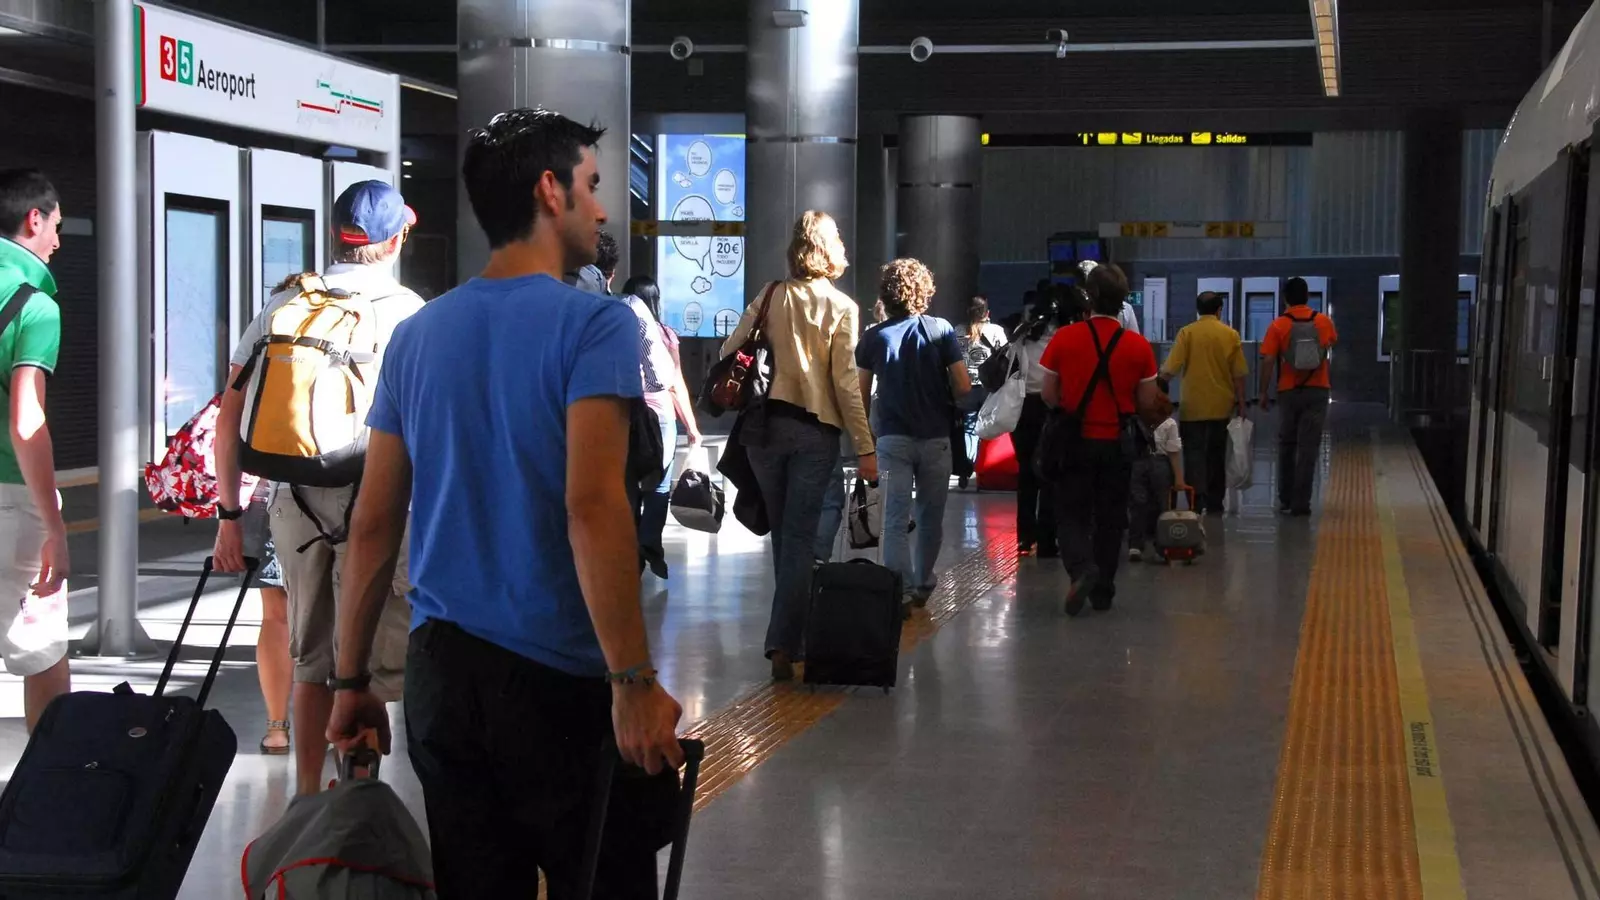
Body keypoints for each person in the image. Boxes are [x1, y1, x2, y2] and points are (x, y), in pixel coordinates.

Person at [326, 108, 685, 897]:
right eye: (593, 185)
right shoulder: (596, 325)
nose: (602, 209)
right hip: (557, 685)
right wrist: (631, 680)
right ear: (550, 191)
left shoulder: (419, 335)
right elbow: (593, 506)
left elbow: (374, 522)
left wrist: (351, 680)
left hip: (442, 678)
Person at [213, 179, 424, 796]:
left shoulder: (285, 304)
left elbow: (230, 414)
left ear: (337, 235)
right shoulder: (409, 311)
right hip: (380, 501)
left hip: (294, 500)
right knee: (369, 664)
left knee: (310, 660)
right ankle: (357, 794)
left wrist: (229, 514)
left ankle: (306, 796)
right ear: (395, 240)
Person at [723, 210, 875, 682]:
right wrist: (865, 448)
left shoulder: (770, 295)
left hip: (763, 431)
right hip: (813, 433)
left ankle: (796, 638)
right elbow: (846, 384)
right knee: (800, 540)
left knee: (786, 537)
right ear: (828, 250)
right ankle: (782, 642)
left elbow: (730, 350)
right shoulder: (842, 307)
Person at [1039, 263, 1162, 615]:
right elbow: (1148, 403)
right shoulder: (1138, 346)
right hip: (1118, 444)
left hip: (1074, 441)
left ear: (1089, 297)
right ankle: (1103, 590)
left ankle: (1081, 569)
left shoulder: (1065, 338)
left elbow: (1048, 393)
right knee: (1111, 517)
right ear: (1123, 300)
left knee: (1070, 512)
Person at [856, 259, 971, 608]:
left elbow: (859, 395)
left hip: (892, 438)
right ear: (924, 292)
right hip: (936, 438)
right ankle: (922, 583)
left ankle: (901, 590)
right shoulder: (940, 330)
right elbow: (963, 385)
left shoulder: (873, 337)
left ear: (885, 294)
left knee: (894, 520)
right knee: (930, 518)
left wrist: (865, 441)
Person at [0, 169, 69, 733]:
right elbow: (27, 421)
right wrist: (55, 527)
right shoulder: (35, 306)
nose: (58, 242)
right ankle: (50, 778)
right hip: (11, 497)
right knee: (40, 649)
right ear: (34, 219)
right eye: (56, 227)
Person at [618, 274, 703, 578]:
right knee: (660, 484)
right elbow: (675, 383)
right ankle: (649, 544)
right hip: (660, 415)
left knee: (628, 482)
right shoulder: (665, 334)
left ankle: (630, 550)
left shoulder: (615, 329)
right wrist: (691, 426)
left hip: (627, 412)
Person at [1159, 291, 1248, 514]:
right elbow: (1238, 374)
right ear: (1219, 310)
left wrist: (1156, 387)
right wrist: (1241, 402)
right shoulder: (1230, 335)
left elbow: (1170, 368)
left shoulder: (1187, 333)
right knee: (1216, 455)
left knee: (1193, 455)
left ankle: (1196, 501)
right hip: (1221, 407)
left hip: (1192, 407)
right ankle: (1216, 502)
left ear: (1198, 310)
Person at [1259, 276, 1338, 516]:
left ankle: (1285, 499)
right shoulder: (1323, 321)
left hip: (1289, 391)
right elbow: (1330, 344)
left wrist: (1263, 392)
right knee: (1308, 447)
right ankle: (1301, 503)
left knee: (1287, 445)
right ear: (1307, 296)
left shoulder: (1278, 325)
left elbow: (1268, 360)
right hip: (1318, 390)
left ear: (1285, 298)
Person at [1009, 288, 1069, 557]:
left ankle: (1025, 537)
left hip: (1024, 407)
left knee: (1026, 473)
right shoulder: (1060, 336)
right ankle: (1047, 540)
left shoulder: (1020, 336)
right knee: (1049, 474)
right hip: (1051, 407)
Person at [1127, 392, 1185, 562]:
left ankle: (1136, 545)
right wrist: (1178, 477)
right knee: (1162, 505)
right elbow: (1173, 451)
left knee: (1138, 504)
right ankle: (1162, 545)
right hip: (1160, 464)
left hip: (1139, 463)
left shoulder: (1135, 422)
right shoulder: (1169, 424)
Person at [956, 295, 1007, 488]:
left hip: (966, 387)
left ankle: (966, 466)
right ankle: (985, 468)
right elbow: (1006, 356)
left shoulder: (958, 331)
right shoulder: (996, 331)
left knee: (969, 429)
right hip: (989, 388)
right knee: (989, 427)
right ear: (988, 312)